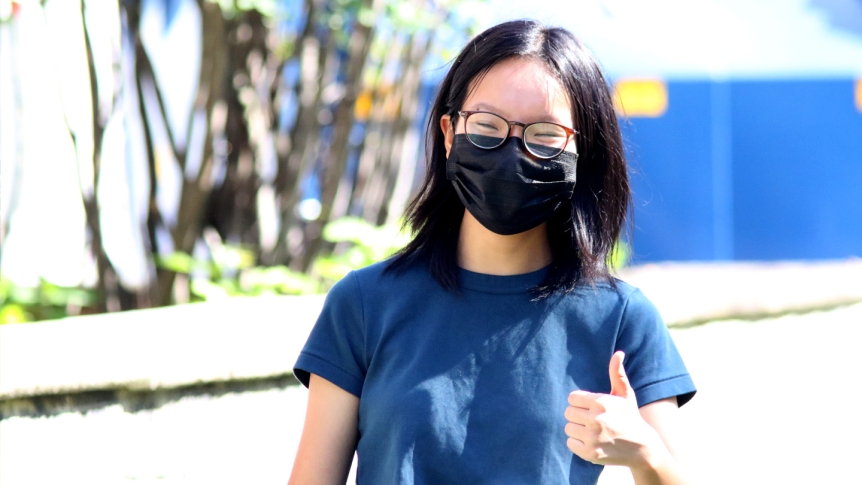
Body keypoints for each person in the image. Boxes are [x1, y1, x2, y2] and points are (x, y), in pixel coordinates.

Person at [289, 19, 696, 485]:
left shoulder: (622, 319)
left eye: (544, 135)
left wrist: (644, 454)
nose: (511, 151)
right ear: (448, 132)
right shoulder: (363, 305)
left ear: (584, 152)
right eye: (486, 126)